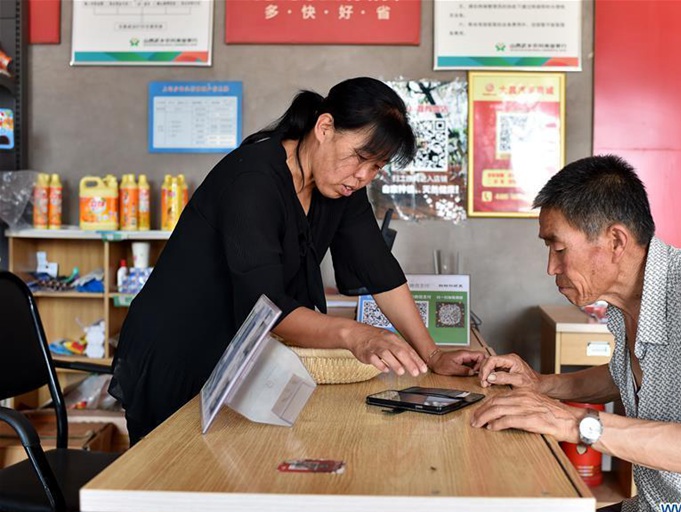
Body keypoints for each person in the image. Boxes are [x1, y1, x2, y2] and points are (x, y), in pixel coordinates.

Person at [110, 77, 485, 444]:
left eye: (376, 168)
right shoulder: (252, 179)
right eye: (360, 158)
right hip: (178, 348)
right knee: (174, 477)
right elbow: (267, 306)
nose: (362, 176)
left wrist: (432, 353)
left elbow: (378, 268)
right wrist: (357, 335)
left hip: (235, 355)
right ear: (325, 127)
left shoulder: (341, 186)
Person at [471, 155, 681, 512]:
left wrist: (574, 422)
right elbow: (629, 377)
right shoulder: (625, 304)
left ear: (615, 241)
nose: (551, 267)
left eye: (559, 248)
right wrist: (542, 385)